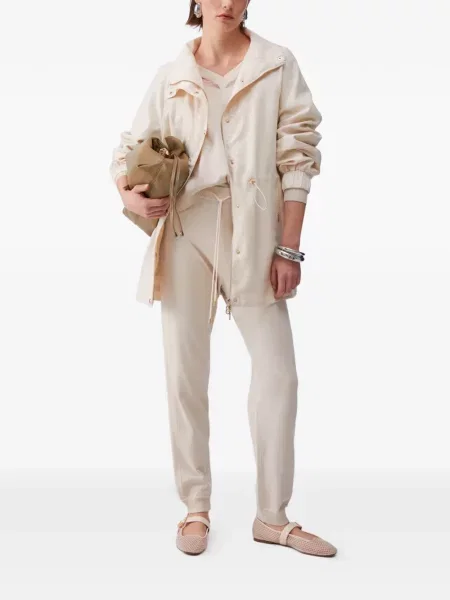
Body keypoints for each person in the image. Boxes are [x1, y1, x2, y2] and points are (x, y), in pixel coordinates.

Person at [109, 0, 337, 558]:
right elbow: (128, 149)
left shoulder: (276, 63)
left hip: (255, 233)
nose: (228, 3)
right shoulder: (173, 74)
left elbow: (298, 156)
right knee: (185, 374)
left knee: (278, 374)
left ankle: (272, 517)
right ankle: (195, 508)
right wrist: (128, 193)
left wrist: (288, 247)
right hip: (186, 228)